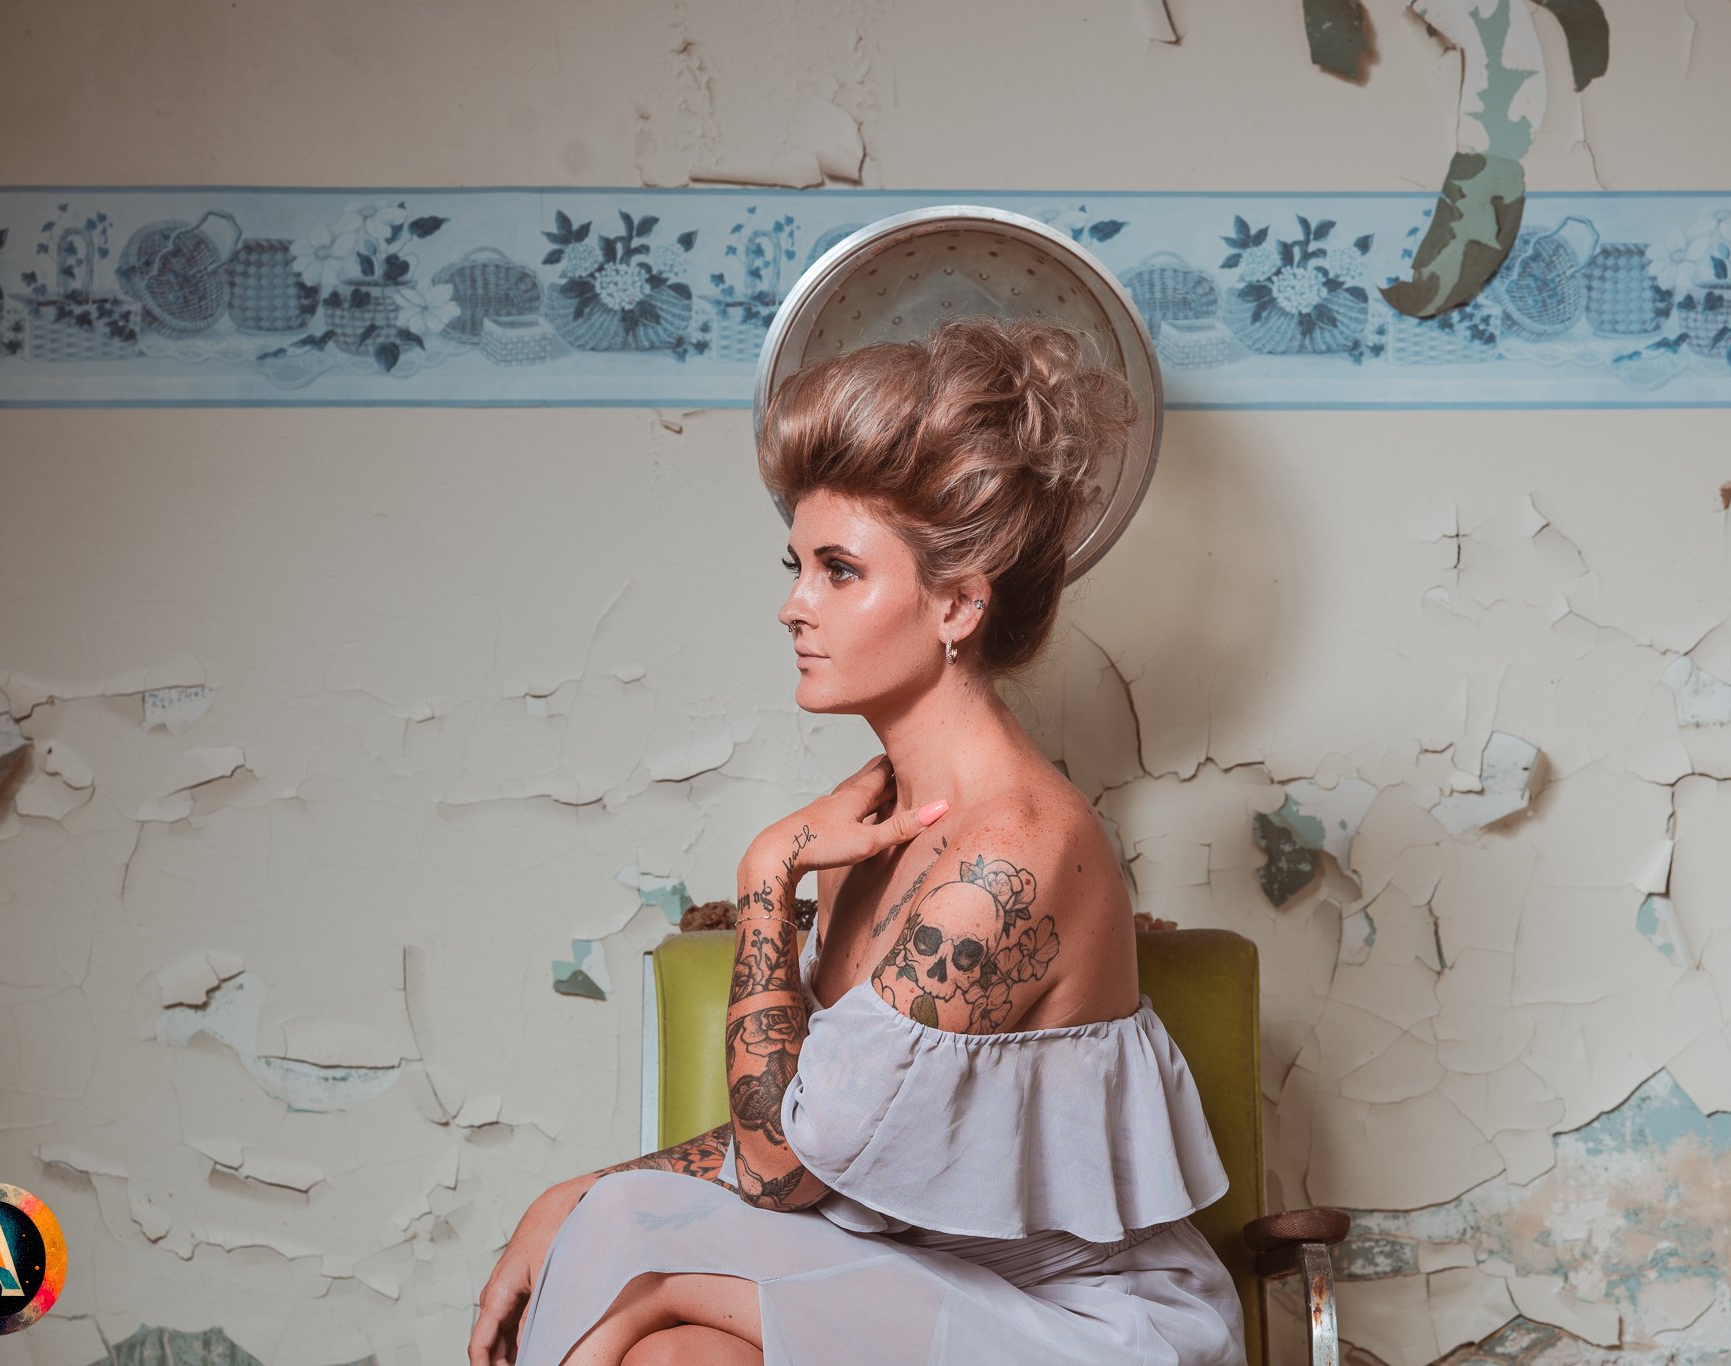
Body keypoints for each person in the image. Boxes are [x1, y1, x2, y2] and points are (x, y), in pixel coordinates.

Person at [469, 316, 1244, 1365]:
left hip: (1083, 1328)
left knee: (616, 1243)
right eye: (796, 564)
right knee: (655, 1337)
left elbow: (785, 1167)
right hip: (917, 1275)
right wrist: (570, 1193)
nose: (793, 605)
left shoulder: (1010, 855)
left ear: (957, 603)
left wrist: (760, 879)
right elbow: (818, 1131)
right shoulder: (875, 827)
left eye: (838, 570)